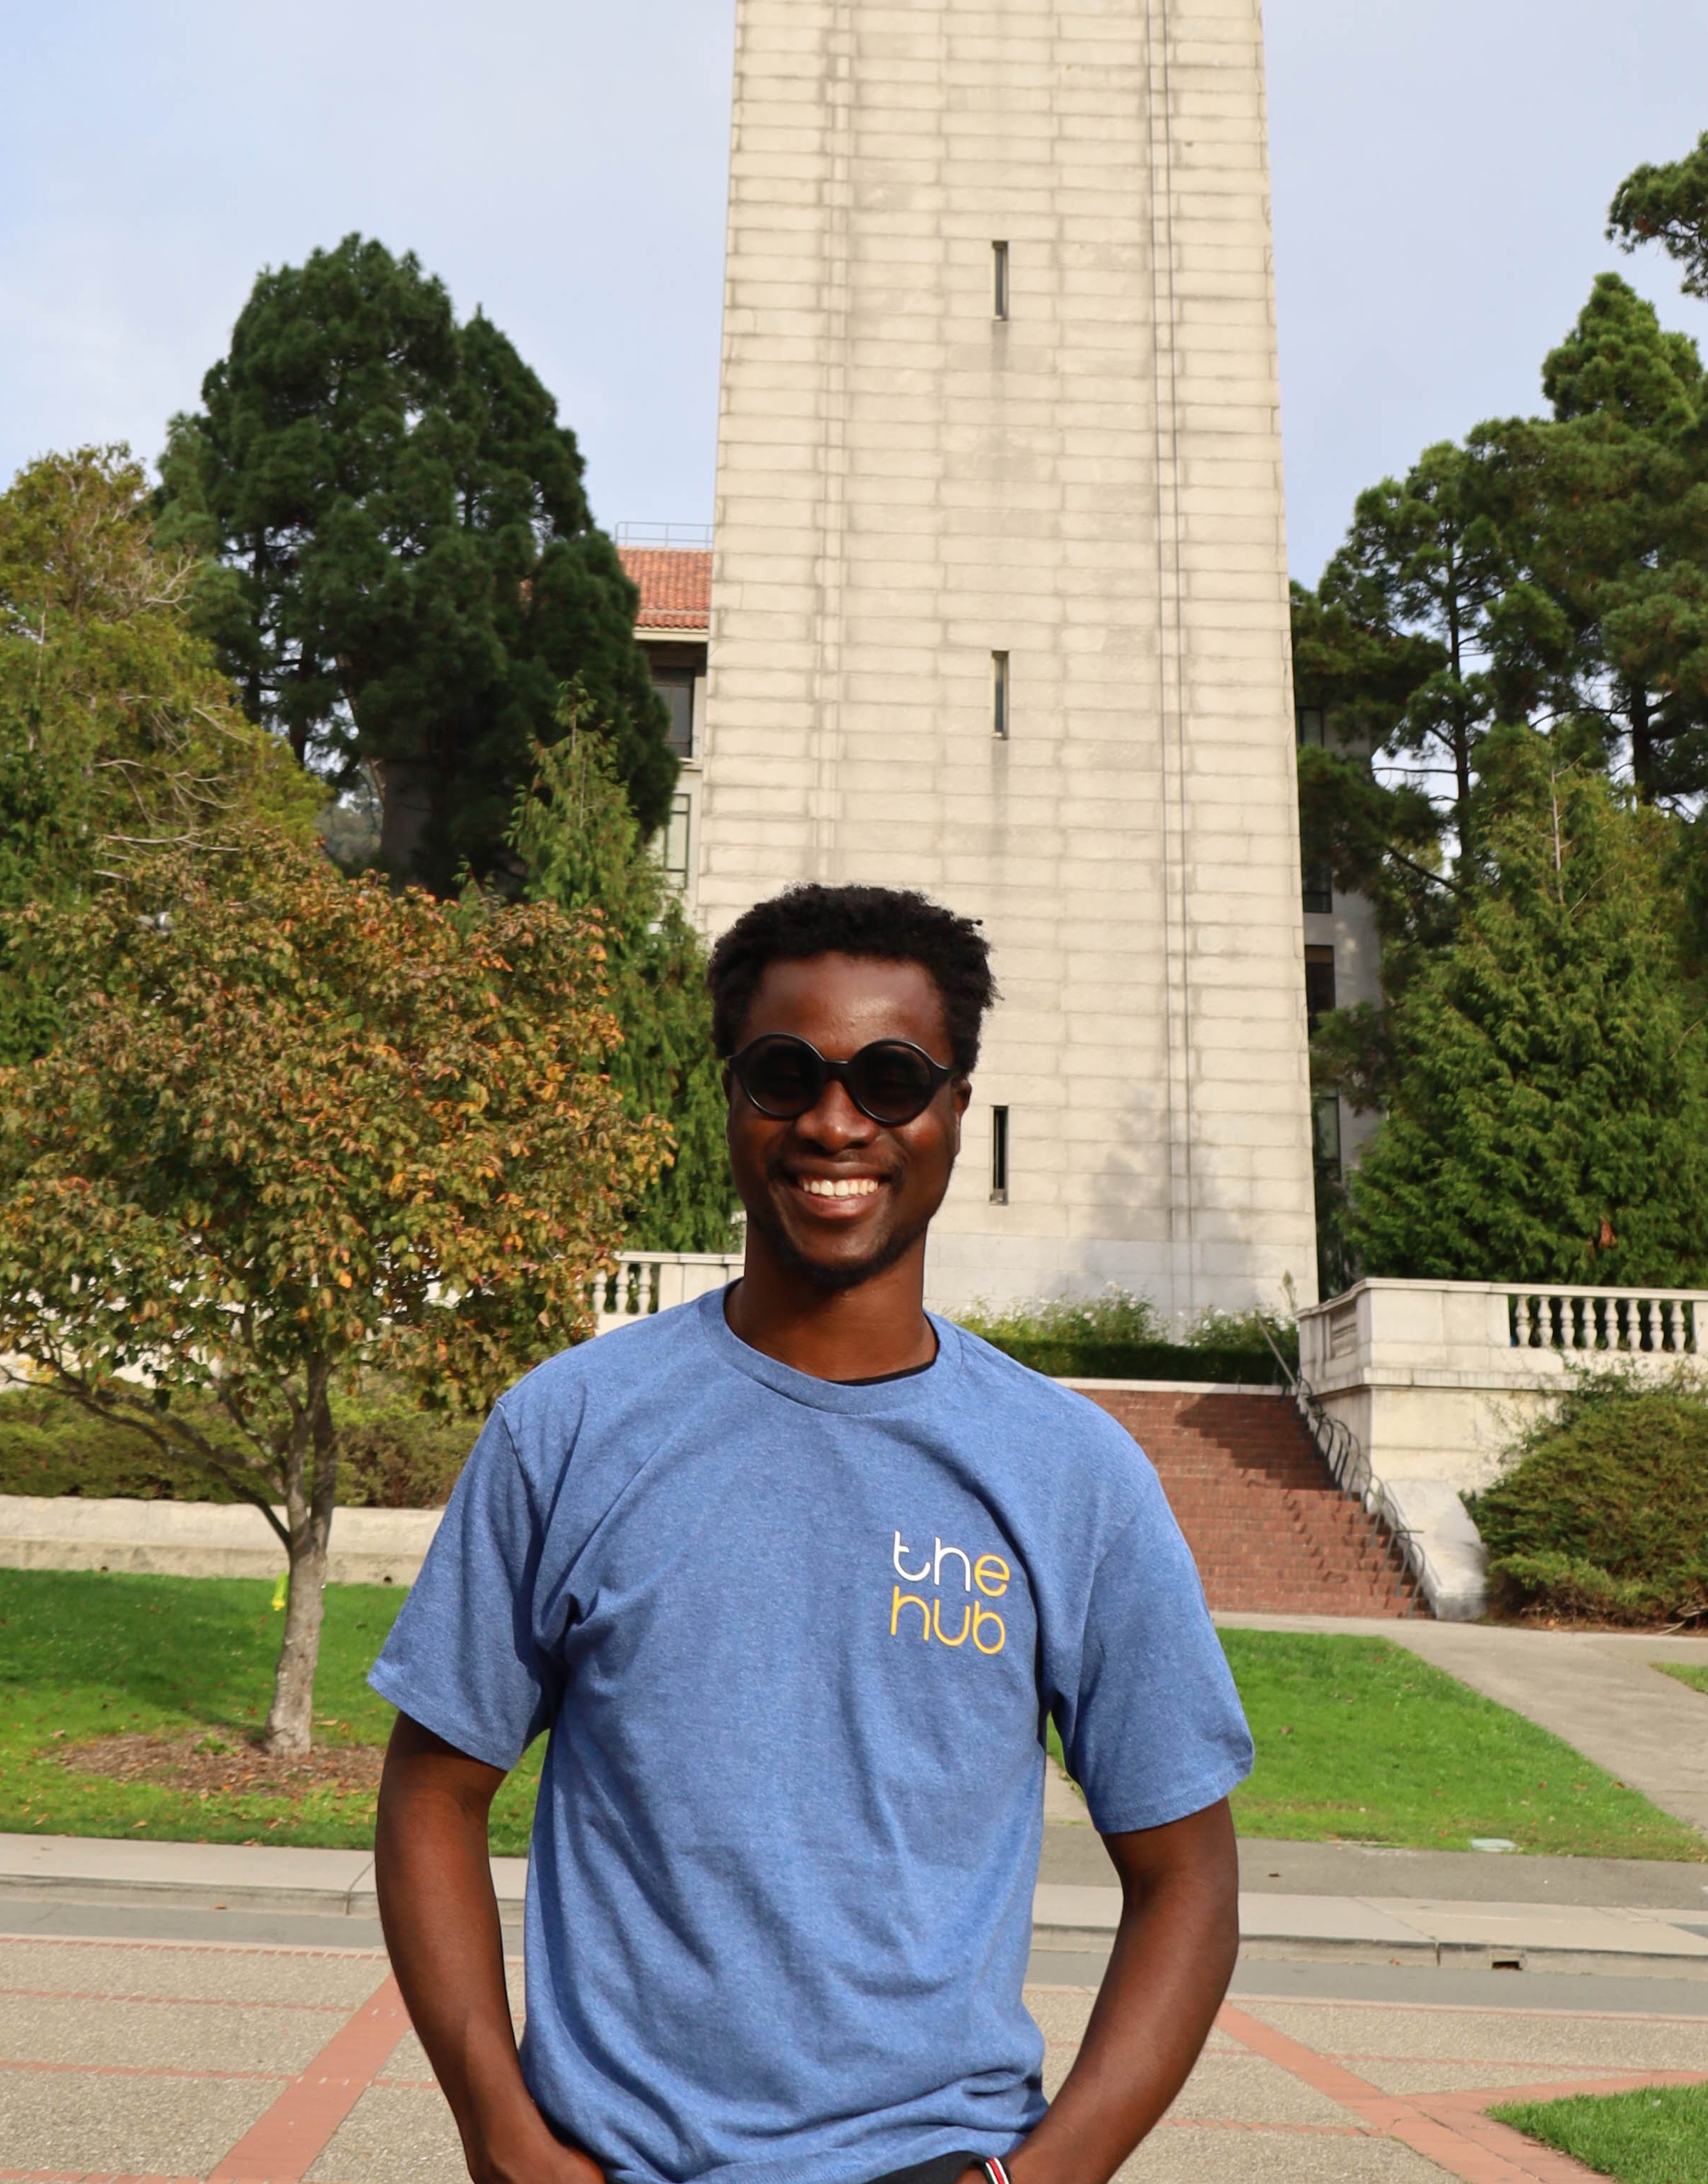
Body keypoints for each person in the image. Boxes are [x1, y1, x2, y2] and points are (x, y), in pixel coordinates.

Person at [371, 877, 1252, 2184]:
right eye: (786, 1072)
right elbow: (430, 1797)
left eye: (892, 1078)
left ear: (958, 1108)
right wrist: (496, 2124)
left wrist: (1046, 2176)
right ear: (730, 1098)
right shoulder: (568, 1427)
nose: (836, 1122)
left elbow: (1190, 1879)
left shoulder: (1073, 1474)